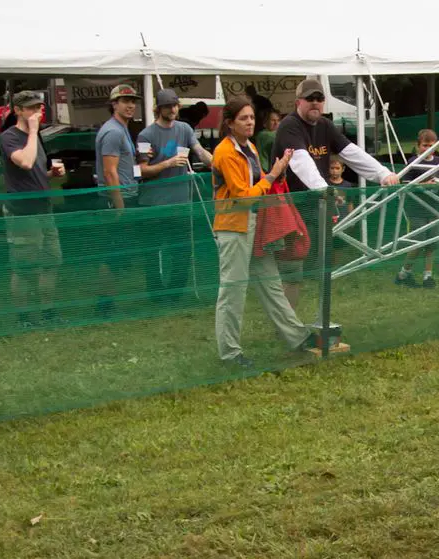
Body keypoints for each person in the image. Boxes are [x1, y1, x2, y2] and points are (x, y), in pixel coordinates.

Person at [273, 78, 400, 308]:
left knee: (320, 269)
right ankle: (285, 325)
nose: (315, 103)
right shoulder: (289, 126)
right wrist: (324, 190)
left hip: (315, 208)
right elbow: (301, 161)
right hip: (288, 210)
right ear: (297, 102)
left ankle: (312, 322)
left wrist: (382, 173)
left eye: (319, 99)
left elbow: (351, 152)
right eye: (309, 99)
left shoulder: (325, 126)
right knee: (292, 272)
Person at [211, 96, 311, 369]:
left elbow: (258, 185)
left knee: (271, 282)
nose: (250, 122)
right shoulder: (225, 152)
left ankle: (298, 336)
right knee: (233, 291)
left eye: (252, 117)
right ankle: (230, 353)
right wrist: (271, 175)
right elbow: (244, 197)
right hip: (233, 229)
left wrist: (276, 174)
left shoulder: (251, 148)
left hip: (257, 226)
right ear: (230, 123)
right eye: (243, 118)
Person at [137, 88, 213, 304]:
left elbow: (200, 152)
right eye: (168, 106)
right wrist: (168, 163)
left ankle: (175, 294)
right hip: (153, 204)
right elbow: (142, 170)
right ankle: (156, 295)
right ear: (158, 109)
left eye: (175, 105)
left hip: (181, 204)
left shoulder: (185, 128)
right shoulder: (146, 135)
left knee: (181, 252)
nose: (173, 109)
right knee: (153, 253)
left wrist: (218, 162)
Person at [0, 90, 66, 329]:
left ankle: (48, 313)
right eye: (31, 108)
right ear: (17, 110)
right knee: (25, 266)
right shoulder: (10, 137)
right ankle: (24, 319)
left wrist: (51, 174)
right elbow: (25, 162)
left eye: (38, 108)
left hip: (44, 208)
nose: (36, 113)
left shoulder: (34, 137)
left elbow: (34, 171)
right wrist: (34, 131)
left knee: (51, 261)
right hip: (21, 210)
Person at [93, 83, 142, 318]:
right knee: (110, 254)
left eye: (133, 101)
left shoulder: (121, 128)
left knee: (118, 253)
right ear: (114, 104)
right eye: (125, 101)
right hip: (115, 200)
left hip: (124, 196)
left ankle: (109, 301)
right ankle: (105, 305)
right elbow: (109, 172)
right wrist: (120, 205)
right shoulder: (113, 131)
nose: (130, 105)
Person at [396, 129, 439, 288]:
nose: (428, 148)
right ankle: (403, 274)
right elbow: (405, 184)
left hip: (434, 208)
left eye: (432, 145)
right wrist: (425, 184)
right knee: (418, 243)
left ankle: (428, 277)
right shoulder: (413, 162)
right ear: (418, 145)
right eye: (425, 145)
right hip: (416, 208)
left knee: (431, 243)